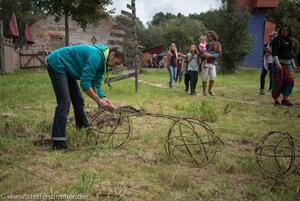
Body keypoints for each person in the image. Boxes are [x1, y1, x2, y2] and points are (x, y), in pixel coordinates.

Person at [47, 44, 125, 150]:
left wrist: (104, 98)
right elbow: (85, 84)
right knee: (64, 102)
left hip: (67, 69)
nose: (115, 67)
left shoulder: (104, 63)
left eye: (117, 65)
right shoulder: (96, 57)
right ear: (112, 55)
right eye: (116, 63)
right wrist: (98, 101)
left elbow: (96, 84)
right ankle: (58, 142)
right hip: (58, 62)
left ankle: (83, 128)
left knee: (78, 100)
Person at [271, 24, 297, 107]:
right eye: (283, 30)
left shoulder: (290, 41)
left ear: (289, 32)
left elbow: (290, 53)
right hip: (278, 64)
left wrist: (293, 63)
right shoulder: (276, 40)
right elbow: (274, 52)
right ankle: (276, 100)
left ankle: (285, 100)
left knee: (291, 80)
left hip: (288, 64)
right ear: (280, 31)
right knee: (277, 82)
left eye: (287, 30)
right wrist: (277, 63)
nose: (285, 32)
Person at [201, 31, 222, 96]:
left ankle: (209, 90)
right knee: (204, 77)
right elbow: (200, 52)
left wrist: (211, 55)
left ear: (213, 35)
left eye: (209, 35)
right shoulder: (205, 43)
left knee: (213, 77)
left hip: (213, 63)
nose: (208, 36)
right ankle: (204, 92)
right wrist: (203, 54)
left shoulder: (218, 44)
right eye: (207, 35)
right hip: (205, 62)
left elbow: (219, 54)